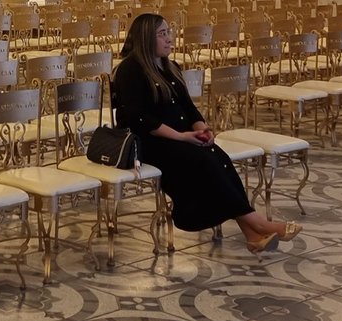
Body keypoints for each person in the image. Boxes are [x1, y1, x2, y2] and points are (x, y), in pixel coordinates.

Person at [111, 13, 300, 253]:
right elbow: (139, 118)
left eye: (169, 32)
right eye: (162, 34)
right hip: (150, 143)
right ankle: (259, 224)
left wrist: (202, 130)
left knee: (219, 157)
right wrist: (182, 136)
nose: (170, 38)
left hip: (180, 139)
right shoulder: (130, 69)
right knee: (204, 161)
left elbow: (188, 107)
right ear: (146, 37)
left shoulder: (170, 67)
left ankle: (252, 233)